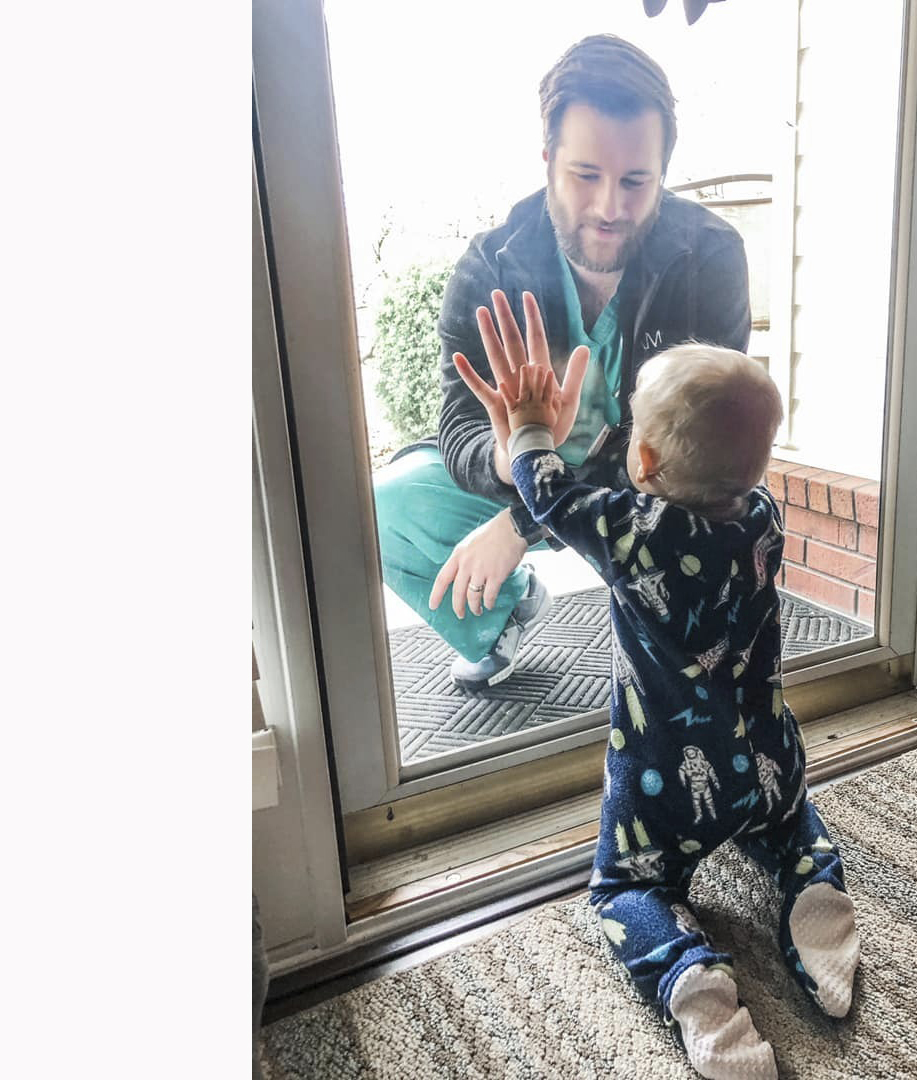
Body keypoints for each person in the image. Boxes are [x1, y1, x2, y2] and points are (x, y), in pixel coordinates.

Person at [460, 295, 860, 1080]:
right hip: (770, 761)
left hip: (665, 785)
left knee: (618, 889)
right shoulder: (763, 519)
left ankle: (693, 979)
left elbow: (550, 493)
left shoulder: (632, 536)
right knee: (792, 823)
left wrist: (534, 426)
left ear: (642, 465)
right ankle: (815, 891)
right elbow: (690, 475)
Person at [372, 33, 751, 691]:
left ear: (664, 169)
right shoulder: (489, 264)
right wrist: (517, 445)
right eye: (585, 176)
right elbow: (459, 430)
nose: (611, 208)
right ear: (548, 159)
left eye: (637, 181)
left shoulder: (710, 257)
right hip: (524, 475)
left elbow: (702, 438)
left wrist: (526, 521)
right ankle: (506, 612)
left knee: (724, 518)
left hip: (648, 487)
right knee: (383, 506)